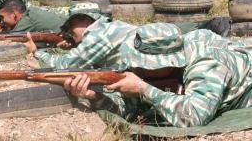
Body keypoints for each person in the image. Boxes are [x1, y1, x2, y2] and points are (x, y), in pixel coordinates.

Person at [24, 10, 251, 128]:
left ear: (165, 64)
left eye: (141, 64)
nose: (133, 67)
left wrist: (144, 89)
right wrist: (93, 96)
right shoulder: (152, 74)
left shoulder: (206, 63)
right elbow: (128, 109)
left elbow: (195, 116)